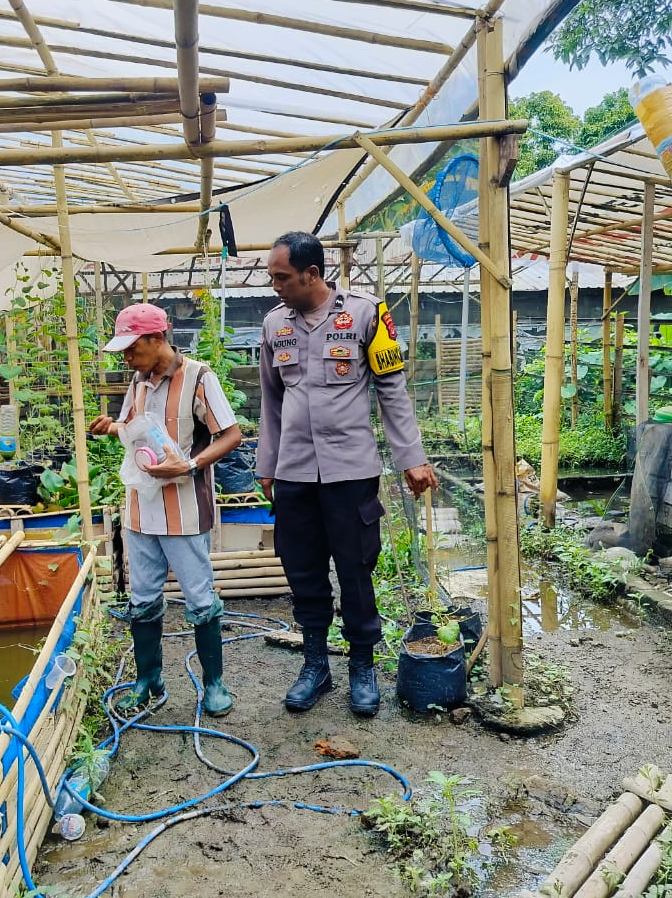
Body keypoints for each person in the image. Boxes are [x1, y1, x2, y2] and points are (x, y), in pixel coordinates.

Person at [258, 231, 438, 717]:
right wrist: (266, 464)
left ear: (311, 274)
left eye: (281, 277)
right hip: (295, 473)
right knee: (303, 571)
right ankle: (315, 665)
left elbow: (392, 390)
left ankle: (362, 666)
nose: (273, 285)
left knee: (356, 571)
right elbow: (271, 400)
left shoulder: (366, 314)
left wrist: (411, 458)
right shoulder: (274, 324)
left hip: (350, 471)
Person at [88, 302, 243, 716]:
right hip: (141, 508)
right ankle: (147, 680)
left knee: (199, 597)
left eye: (132, 348)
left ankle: (214, 684)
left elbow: (232, 435)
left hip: (185, 510)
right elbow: (133, 427)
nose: (127, 357)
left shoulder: (199, 376)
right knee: (142, 598)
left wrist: (190, 464)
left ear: (158, 339)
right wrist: (112, 426)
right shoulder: (137, 383)